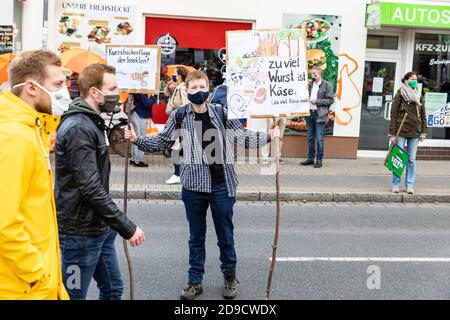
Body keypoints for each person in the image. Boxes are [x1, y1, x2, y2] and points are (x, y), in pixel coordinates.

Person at [124, 71, 280, 300]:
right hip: (194, 186)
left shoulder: (221, 112)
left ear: (208, 88)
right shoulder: (179, 115)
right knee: (195, 237)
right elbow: (162, 141)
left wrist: (267, 136)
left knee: (225, 234)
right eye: (193, 88)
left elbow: (241, 136)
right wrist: (137, 140)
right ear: (187, 91)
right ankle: (194, 282)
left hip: (222, 185)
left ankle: (229, 277)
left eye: (201, 86)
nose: (198, 91)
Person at [54, 63, 145, 300]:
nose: (118, 93)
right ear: (95, 92)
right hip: (78, 233)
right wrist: (127, 227)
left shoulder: (92, 121)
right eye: (113, 88)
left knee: (114, 290)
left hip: (99, 228)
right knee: (73, 295)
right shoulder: (79, 128)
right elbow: (90, 188)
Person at [0, 49, 70, 300]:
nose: (65, 92)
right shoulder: (15, 138)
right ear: (31, 87)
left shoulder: (32, 130)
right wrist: (38, 274)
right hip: (22, 287)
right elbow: (4, 222)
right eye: (59, 84)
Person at [389, 71, 427, 195]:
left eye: (416, 79)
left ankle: (409, 185)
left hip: (415, 131)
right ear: (405, 81)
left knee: (411, 159)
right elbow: (393, 114)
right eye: (412, 79)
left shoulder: (418, 95)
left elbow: (423, 114)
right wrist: (392, 134)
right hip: (401, 130)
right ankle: (395, 184)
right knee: (398, 158)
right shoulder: (400, 94)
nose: (414, 81)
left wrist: (423, 131)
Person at [301, 66, 334, 168]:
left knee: (319, 138)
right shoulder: (310, 85)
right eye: (312, 74)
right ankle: (311, 158)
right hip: (309, 114)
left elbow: (330, 100)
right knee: (310, 137)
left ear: (320, 74)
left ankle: (319, 160)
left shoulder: (327, 85)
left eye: (315, 74)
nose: (313, 75)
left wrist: (317, 101)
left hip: (320, 114)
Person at [165, 66, 190, 185]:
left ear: (180, 75)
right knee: (176, 149)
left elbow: (186, 106)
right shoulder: (179, 87)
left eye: (175, 73)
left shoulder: (183, 88)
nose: (173, 75)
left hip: (181, 124)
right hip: (178, 123)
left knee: (174, 149)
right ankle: (180, 173)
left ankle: (177, 174)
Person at [129, 93, 157, 167]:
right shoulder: (141, 92)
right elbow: (147, 104)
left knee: (135, 137)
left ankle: (133, 158)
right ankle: (138, 160)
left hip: (135, 114)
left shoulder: (137, 90)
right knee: (141, 137)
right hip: (140, 116)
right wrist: (153, 97)